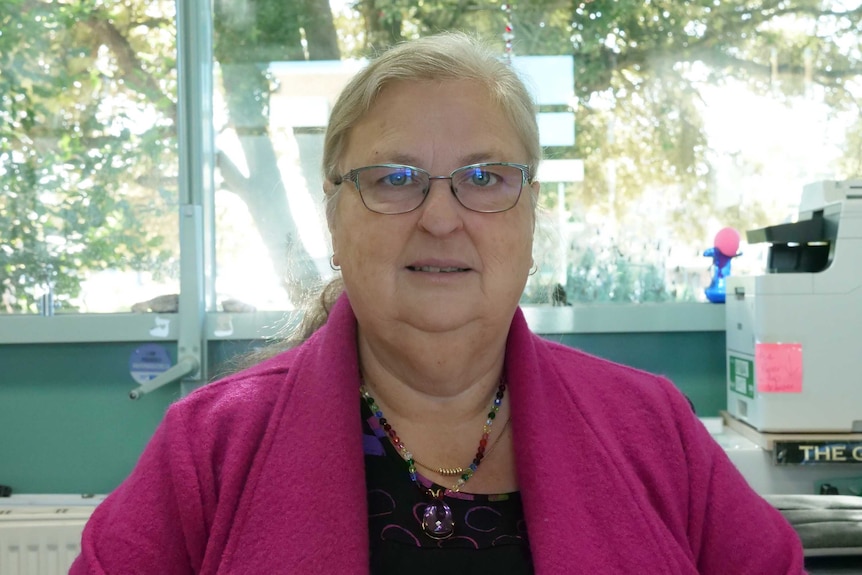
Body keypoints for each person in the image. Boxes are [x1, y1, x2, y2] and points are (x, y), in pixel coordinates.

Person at [71, 32, 805, 574]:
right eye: (395, 178)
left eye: (484, 176)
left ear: (530, 216)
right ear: (335, 218)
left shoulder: (654, 429)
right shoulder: (207, 448)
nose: (442, 216)